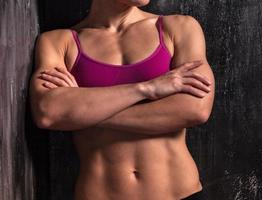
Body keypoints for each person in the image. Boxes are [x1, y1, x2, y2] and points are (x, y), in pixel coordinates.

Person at [28, 0, 215, 199]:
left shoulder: (178, 28)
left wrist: (84, 113)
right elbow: (48, 112)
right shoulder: (59, 42)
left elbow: (195, 109)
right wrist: (146, 89)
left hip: (179, 193)